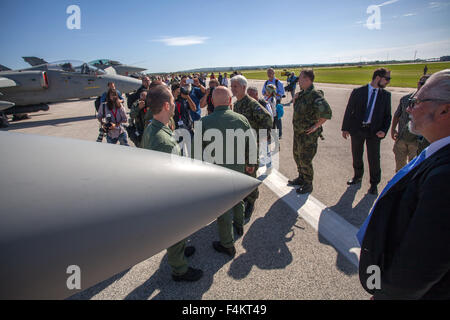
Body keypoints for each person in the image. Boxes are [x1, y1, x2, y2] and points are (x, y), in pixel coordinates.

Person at [357, 69, 450, 300]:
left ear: (445, 110)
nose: (409, 109)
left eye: (417, 102)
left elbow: (422, 262)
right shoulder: (435, 151)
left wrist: (387, 296)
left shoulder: (445, 176)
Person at [141, 85, 203, 282]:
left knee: (178, 229)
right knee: (176, 226)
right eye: (174, 102)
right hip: (170, 194)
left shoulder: (153, 127)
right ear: (167, 105)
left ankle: (181, 250)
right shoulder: (163, 141)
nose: (177, 105)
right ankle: (180, 269)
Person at [198, 86, 258, 256]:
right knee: (238, 197)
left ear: (211, 101)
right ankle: (239, 225)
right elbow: (251, 144)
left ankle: (227, 244)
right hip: (238, 169)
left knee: (222, 207)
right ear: (230, 101)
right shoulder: (241, 119)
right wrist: (251, 164)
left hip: (216, 173)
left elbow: (196, 154)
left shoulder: (203, 123)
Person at [342, 68, 392, 195]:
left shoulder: (386, 95)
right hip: (358, 129)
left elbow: (388, 116)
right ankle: (357, 177)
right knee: (357, 154)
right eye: (387, 79)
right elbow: (349, 110)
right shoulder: (358, 92)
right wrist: (345, 128)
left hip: (374, 132)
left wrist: (384, 130)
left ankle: (374, 184)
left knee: (374, 158)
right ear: (378, 78)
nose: (388, 82)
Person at [231, 75, 273, 220]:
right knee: (242, 174)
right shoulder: (237, 104)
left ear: (243, 87)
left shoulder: (251, 103)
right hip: (240, 146)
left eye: (235, 86)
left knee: (250, 174)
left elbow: (267, 118)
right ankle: (244, 199)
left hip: (251, 147)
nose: (232, 89)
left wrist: (262, 137)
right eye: (232, 86)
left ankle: (251, 201)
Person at [287, 69, 332, 194]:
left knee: (305, 159)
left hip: (308, 135)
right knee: (297, 157)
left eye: (300, 79)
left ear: (307, 80)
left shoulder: (315, 95)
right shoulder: (302, 94)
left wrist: (316, 126)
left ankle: (308, 184)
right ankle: (301, 178)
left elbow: (327, 113)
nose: (298, 81)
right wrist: (295, 99)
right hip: (298, 133)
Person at [391, 75, 430, 172]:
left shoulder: (432, 103)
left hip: (417, 142)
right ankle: (399, 183)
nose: (423, 86)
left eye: (427, 84)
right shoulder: (405, 99)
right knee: (400, 166)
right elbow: (397, 115)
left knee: (414, 168)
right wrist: (393, 129)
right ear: (418, 84)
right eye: (422, 83)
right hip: (401, 139)